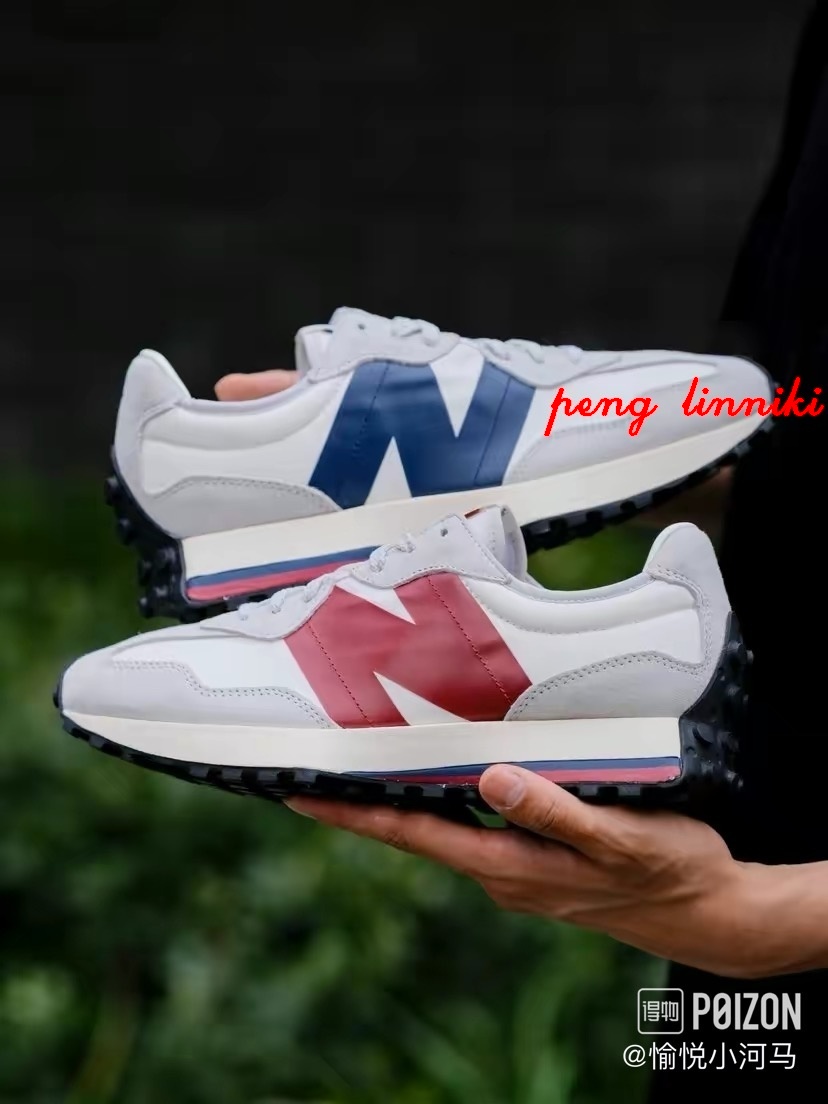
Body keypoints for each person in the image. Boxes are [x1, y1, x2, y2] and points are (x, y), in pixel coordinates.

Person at [214, 2, 828, 1084]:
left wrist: (778, 916)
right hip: (745, 900)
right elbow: (792, 429)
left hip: (767, 914)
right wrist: (517, 437)